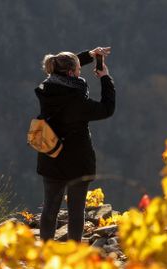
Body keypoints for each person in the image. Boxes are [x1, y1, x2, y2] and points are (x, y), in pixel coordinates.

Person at [34, 46, 115, 242]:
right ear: (71, 73)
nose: (80, 72)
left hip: (51, 155)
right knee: (76, 212)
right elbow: (107, 109)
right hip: (78, 162)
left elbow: (60, 66)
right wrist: (105, 78)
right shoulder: (78, 102)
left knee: (50, 209)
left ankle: (44, 255)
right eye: (79, 69)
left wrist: (89, 55)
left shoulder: (46, 90)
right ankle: (74, 256)